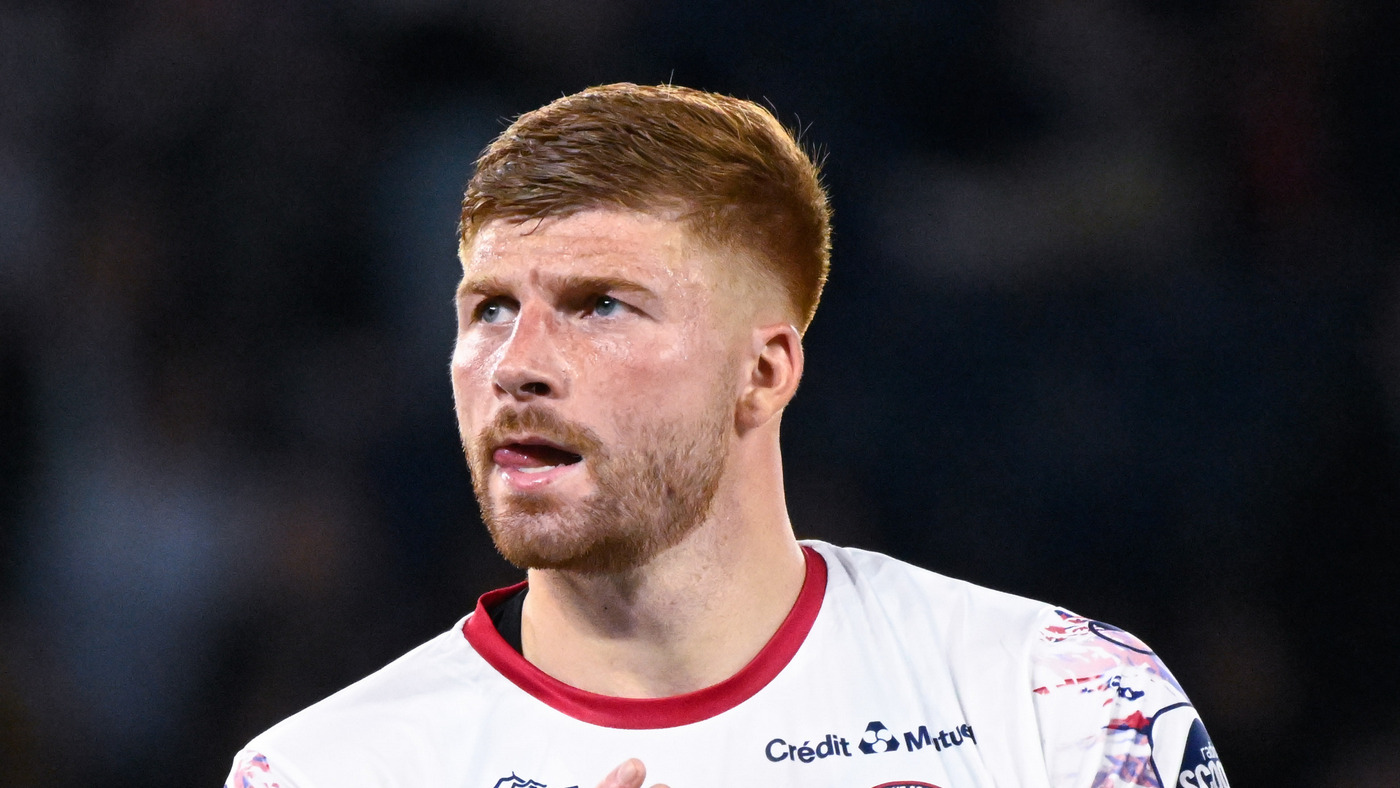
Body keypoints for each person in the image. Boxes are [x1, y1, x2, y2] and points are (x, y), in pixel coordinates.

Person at [225, 83, 1229, 788]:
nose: (516, 363)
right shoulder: (321, 773)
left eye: (600, 303)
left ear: (764, 372)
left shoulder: (1061, 704)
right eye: (489, 308)